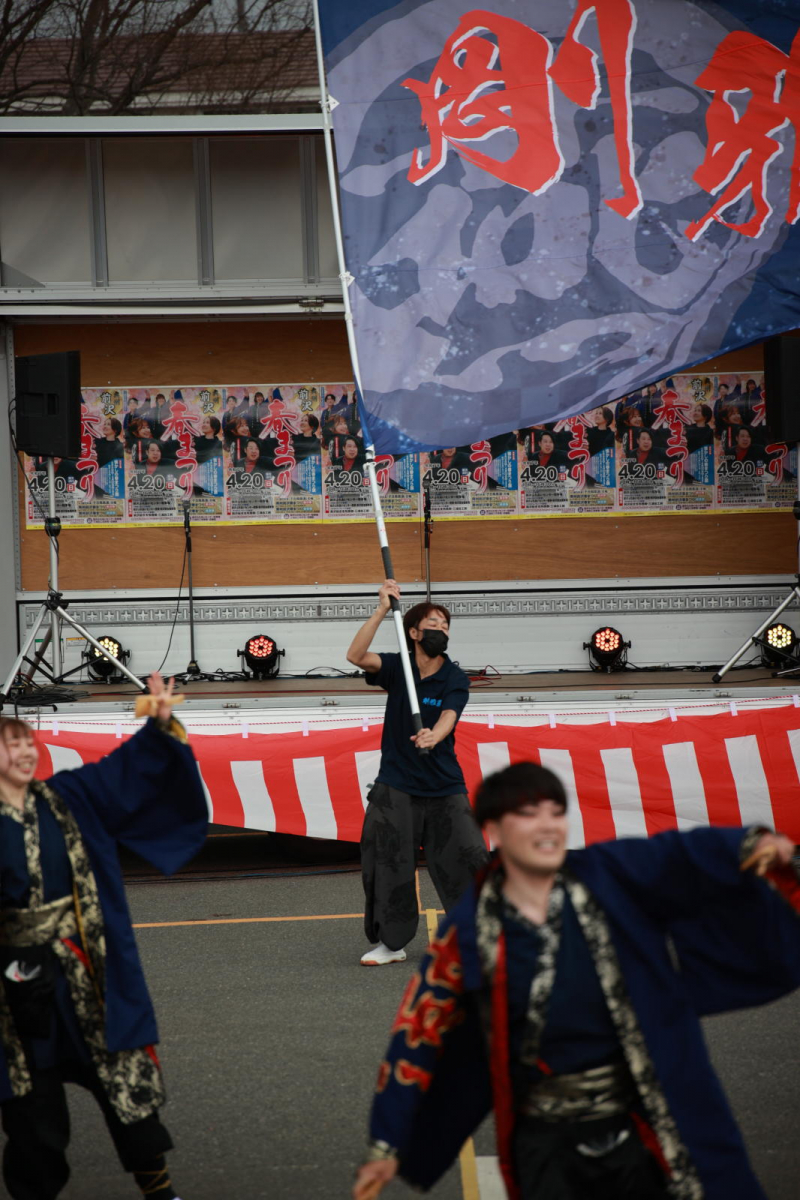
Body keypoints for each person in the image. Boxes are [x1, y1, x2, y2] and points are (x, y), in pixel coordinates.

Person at [353, 761, 800, 1200]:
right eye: (529, 814)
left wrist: (750, 844)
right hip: (546, 1142)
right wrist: (387, 1144)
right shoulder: (471, 928)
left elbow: (676, 854)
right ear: (493, 827)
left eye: (556, 812)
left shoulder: (606, 873)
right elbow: (420, 1032)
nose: (548, 826)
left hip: (643, 1115)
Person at [0, 673, 207, 1200]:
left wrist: (159, 726)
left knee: (125, 1084)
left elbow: (125, 771)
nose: (25, 752)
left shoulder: (68, 797)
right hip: (12, 989)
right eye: (11, 745)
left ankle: (160, 1191)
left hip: (85, 973)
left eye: (27, 742)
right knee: (31, 1104)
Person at [346, 582, 489, 967]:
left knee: (468, 860)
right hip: (396, 784)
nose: (441, 630)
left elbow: (450, 714)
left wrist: (434, 735)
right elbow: (355, 655)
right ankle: (391, 944)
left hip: (444, 785)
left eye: (445, 626)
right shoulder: (398, 668)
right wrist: (381, 608)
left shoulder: (454, 677)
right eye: (433, 624)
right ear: (413, 632)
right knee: (388, 864)